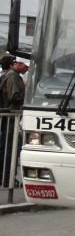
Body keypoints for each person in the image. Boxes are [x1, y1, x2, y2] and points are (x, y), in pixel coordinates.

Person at [0, 55, 27, 187]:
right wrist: (27, 91)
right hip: (10, 117)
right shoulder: (12, 77)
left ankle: (7, 177)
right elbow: (14, 96)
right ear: (13, 64)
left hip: (10, 118)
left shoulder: (13, 76)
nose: (25, 67)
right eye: (21, 64)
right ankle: (6, 179)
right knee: (9, 148)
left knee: (10, 147)